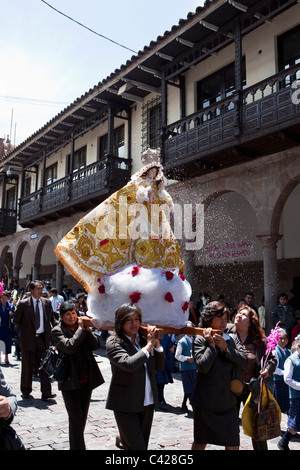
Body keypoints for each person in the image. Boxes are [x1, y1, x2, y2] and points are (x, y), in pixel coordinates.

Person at [105, 303, 165, 450]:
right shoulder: (114, 342)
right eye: (129, 320)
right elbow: (129, 364)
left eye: (137, 319)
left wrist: (156, 345)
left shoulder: (143, 340)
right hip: (126, 404)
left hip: (147, 402)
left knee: (140, 445)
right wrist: (149, 346)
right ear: (120, 322)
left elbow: (160, 366)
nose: (134, 324)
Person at [191, 301, 248, 450]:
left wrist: (226, 348)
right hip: (205, 402)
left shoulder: (232, 339)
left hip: (228, 403)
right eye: (219, 318)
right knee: (200, 443)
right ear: (209, 319)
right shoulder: (199, 339)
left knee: (233, 444)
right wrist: (211, 345)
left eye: (225, 318)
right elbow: (203, 366)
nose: (223, 322)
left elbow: (243, 361)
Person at [51, 300, 104, 450]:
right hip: (69, 381)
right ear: (61, 317)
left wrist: (87, 330)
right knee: (75, 418)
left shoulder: (83, 328)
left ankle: (76, 445)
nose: (71, 317)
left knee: (82, 418)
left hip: (86, 379)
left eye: (73, 313)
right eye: (67, 314)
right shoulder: (57, 331)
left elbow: (95, 345)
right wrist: (81, 330)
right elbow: (69, 346)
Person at [230, 305, 277, 450]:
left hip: (253, 389)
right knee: (231, 426)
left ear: (250, 321)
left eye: (243, 314)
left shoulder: (258, 340)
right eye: (238, 313)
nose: (239, 315)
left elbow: (271, 359)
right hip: (231, 387)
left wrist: (267, 370)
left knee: (257, 425)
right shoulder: (227, 336)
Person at [13, 280, 56, 400]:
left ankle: (46, 392)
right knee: (28, 366)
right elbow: (16, 321)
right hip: (28, 340)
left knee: (45, 366)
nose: (40, 290)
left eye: (41, 288)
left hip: (42, 338)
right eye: (38, 288)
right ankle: (26, 390)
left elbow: (51, 319)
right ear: (31, 290)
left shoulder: (47, 303)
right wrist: (26, 331)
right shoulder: (23, 304)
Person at [277, 335, 300, 450]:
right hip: (296, 396)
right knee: (294, 423)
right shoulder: (291, 360)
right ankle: (283, 441)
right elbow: (287, 379)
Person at [175, 322, 197, 413]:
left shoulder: (194, 340)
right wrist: (186, 358)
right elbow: (177, 355)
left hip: (194, 368)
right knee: (188, 387)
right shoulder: (182, 342)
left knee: (192, 387)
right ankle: (193, 406)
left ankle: (184, 404)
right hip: (186, 368)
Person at [273, 328, 291, 413]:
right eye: (281, 338)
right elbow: (274, 369)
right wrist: (286, 373)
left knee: (287, 403)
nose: (283, 341)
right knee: (280, 404)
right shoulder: (275, 352)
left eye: (285, 339)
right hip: (279, 381)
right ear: (277, 339)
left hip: (287, 381)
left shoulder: (288, 352)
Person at [156, 334, 176, 410]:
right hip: (157, 359)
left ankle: (160, 399)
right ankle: (159, 400)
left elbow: (173, 342)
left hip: (165, 359)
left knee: (161, 383)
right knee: (158, 382)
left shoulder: (169, 334)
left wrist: (172, 348)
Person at [0, 291, 14, 364]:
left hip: (7, 328)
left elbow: (15, 316)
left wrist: (12, 314)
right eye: (2, 298)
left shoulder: (11, 306)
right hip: (0, 327)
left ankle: (7, 357)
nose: (4, 300)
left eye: (5, 298)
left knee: (7, 342)